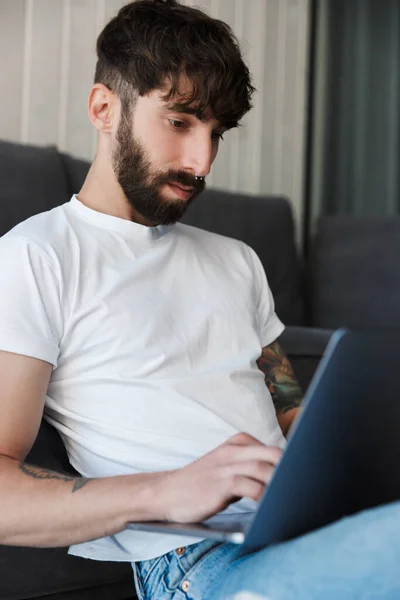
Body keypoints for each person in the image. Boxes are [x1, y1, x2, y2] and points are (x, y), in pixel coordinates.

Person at [0, 1, 399, 599]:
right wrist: (167, 490)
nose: (201, 161)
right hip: (193, 563)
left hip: (295, 526)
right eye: (181, 122)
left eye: (216, 132)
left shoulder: (237, 260)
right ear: (104, 108)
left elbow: (286, 399)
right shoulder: (37, 255)